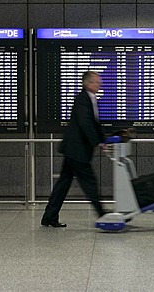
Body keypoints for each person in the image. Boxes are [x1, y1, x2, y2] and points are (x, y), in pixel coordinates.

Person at [41, 71, 108, 227]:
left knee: (63, 184)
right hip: (77, 150)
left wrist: (103, 139)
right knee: (89, 182)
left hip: (74, 150)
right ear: (88, 84)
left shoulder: (91, 99)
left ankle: (49, 217)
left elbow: (95, 124)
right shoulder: (82, 100)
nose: (100, 84)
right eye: (97, 82)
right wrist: (98, 142)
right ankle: (103, 214)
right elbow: (86, 124)